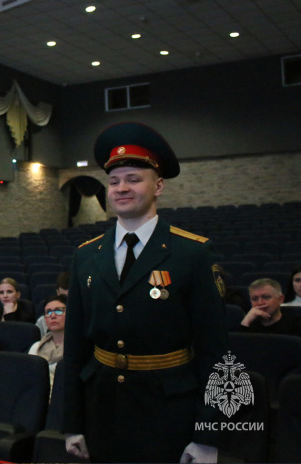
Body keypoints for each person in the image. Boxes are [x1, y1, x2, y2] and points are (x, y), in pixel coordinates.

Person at [62, 122, 228, 464]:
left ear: (159, 185)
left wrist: (207, 437)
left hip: (168, 414)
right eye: (114, 181)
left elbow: (215, 353)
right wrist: (71, 423)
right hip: (102, 411)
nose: (122, 188)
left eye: (134, 179)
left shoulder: (192, 254)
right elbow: (75, 346)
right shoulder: (86, 255)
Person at [28, 294, 67, 389]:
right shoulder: (36, 347)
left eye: (58, 311)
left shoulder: (80, 348)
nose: (52, 316)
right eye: (48, 312)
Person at [35, 271, 69, 337]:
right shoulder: (43, 321)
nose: (68, 301)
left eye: (72, 296)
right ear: (58, 293)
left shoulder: (87, 317)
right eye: (64, 296)